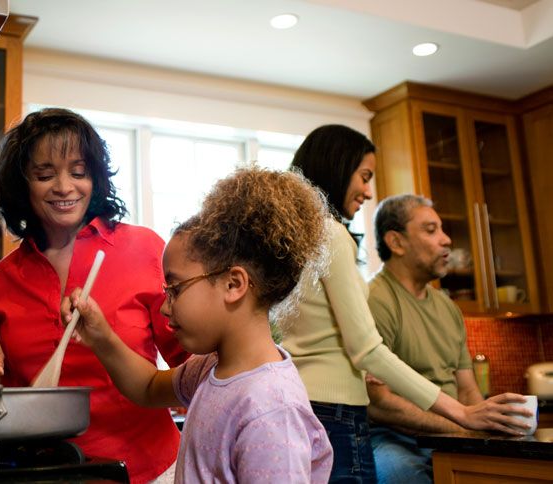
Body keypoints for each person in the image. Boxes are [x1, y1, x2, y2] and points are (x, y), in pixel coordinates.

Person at [278, 124, 530, 483]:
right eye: (364, 176)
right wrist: (461, 413)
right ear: (336, 167)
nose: (368, 191)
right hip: (338, 412)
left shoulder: (295, 238)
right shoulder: (332, 236)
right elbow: (366, 350)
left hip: (305, 405)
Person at [0, 108, 189, 484]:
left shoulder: (144, 249)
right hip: (42, 472)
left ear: (95, 179)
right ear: (23, 185)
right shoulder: (3, 278)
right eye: (45, 174)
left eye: (78, 172)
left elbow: (192, 365)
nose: (64, 187)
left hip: (147, 470)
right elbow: (2, 392)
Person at [65, 168, 334, 483]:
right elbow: (148, 387)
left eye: (175, 289)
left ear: (233, 285)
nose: (165, 307)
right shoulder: (210, 369)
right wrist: (101, 336)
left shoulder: (271, 409)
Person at [366, 194, 530, 484]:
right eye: (431, 230)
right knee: (400, 475)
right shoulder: (375, 299)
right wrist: (463, 426)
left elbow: (467, 390)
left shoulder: (448, 307)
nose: (446, 240)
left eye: (441, 229)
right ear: (396, 242)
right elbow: (378, 403)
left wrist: (482, 425)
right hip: (396, 439)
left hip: (454, 433)